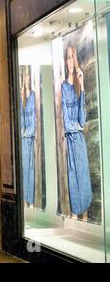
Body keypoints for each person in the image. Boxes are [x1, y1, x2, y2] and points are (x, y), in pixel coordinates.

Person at [61, 43, 92, 217]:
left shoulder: (78, 86)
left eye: (72, 57)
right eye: (68, 57)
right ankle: (74, 220)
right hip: (70, 141)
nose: (70, 61)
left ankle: (86, 218)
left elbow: (82, 119)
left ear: (76, 60)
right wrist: (76, 127)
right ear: (65, 61)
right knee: (73, 180)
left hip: (79, 140)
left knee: (83, 177)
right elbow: (67, 121)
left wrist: (82, 85)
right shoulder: (63, 86)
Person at [20, 66, 36, 207]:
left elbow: (35, 121)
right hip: (25, 141)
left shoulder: (33, 96)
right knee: (25, 171)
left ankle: (31, 201)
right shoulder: (22, 99)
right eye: (24, 76)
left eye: (27, 76)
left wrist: (28, 133)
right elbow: (21, 122)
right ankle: (25, 201)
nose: (26, 79)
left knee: (31, 171)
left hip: (32, 140)